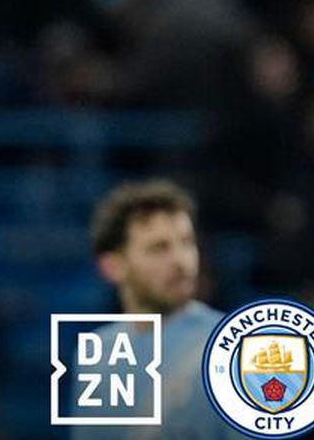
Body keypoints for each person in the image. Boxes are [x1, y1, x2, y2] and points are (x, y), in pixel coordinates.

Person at [72, 179, 238, 439]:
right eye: (159, 248)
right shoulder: (96, 352)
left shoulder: (235, 347)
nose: (181, 261)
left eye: (187, 242)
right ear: (112, 267)